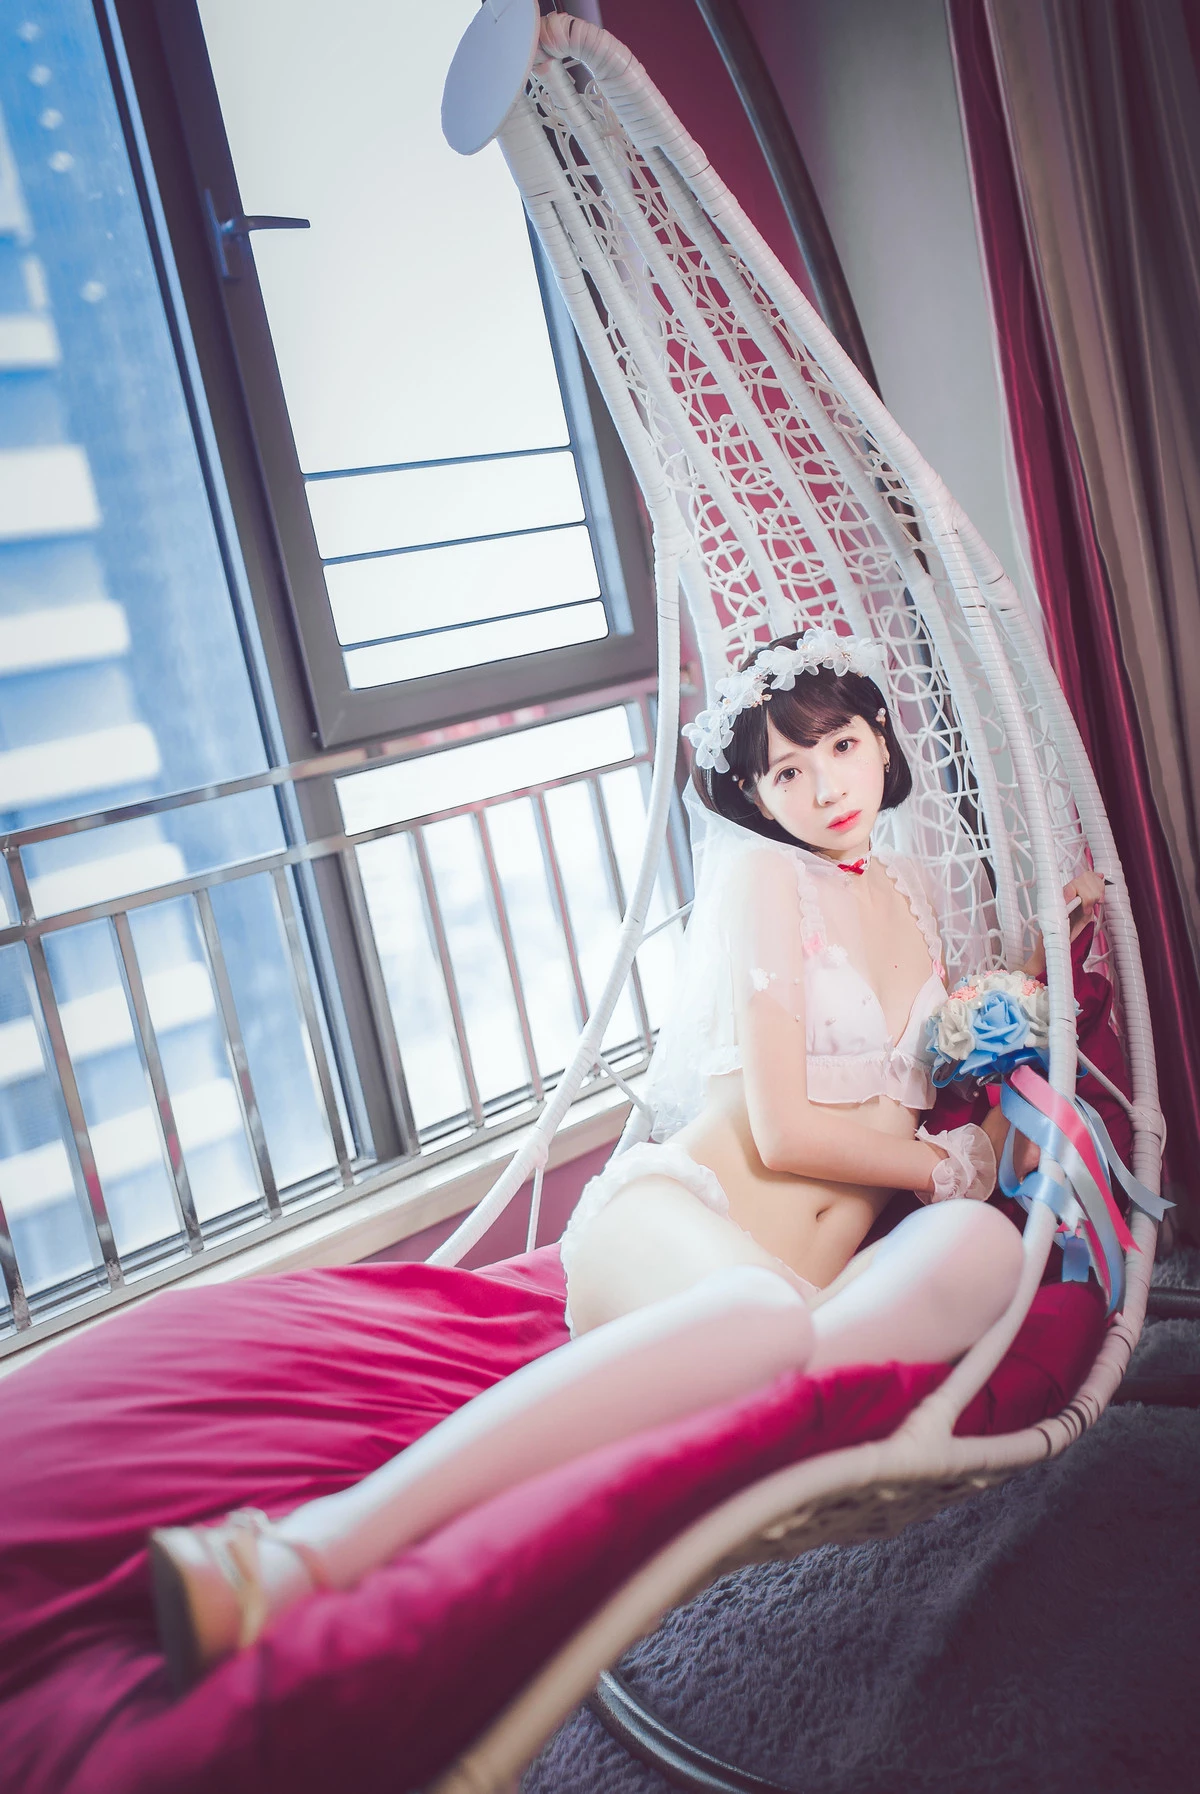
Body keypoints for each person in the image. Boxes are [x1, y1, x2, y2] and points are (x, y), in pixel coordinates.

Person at [150, 628, 1104, 1692]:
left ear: (881, 738)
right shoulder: (769, 883)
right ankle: (304, 1551)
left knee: (979, 1248)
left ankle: (765, 1387)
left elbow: (946, 1078)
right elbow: (784, 1134)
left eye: (839, 746)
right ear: (755, 795)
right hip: (680, 1218)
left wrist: (1032, 992)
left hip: (809, 1293)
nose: (826, 786)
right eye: (788, 771)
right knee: (771, 1310)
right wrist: (939, 1168)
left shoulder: (909, 891)